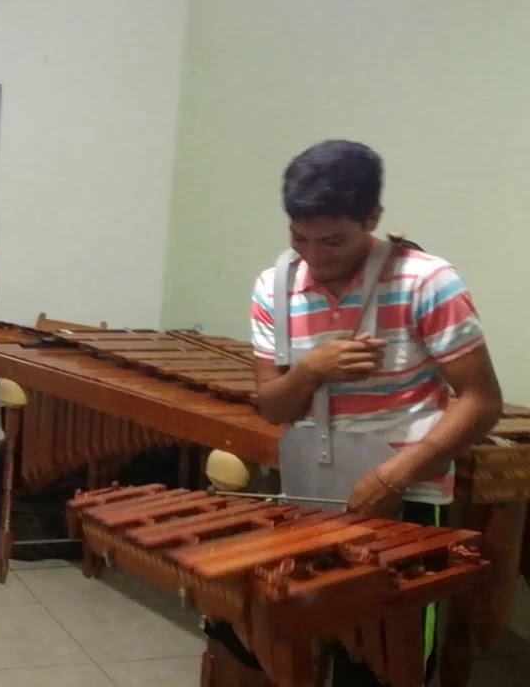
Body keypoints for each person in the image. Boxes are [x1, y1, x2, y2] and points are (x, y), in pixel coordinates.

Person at [202, 139, 503, 686]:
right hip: (309, 491)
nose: (315, 255)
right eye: (300, 238)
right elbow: (271, 406)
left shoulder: (426, 281)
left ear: (373, 218)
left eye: (334, 240)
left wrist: (395, 475)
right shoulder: (275, 285)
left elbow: (482, 401)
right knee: (261, 629)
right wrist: (313, 369)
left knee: (384, 663)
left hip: (405, 495)